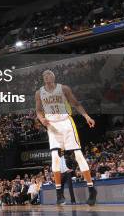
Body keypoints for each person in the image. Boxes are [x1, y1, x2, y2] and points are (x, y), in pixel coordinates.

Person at [35, 69, 97, 205]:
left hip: (66, 123)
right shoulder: (39, 93)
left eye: (49, 74)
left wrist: (87, 116)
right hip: (52, 126)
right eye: (44, 75)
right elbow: (39, 111)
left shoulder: (63, 88)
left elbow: (76, 104)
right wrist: (41, 119)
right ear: (43, 78)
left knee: (78, 155)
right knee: (55, 158)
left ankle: (92, 190)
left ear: (54, 76)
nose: (46, 76)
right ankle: (59, 194)